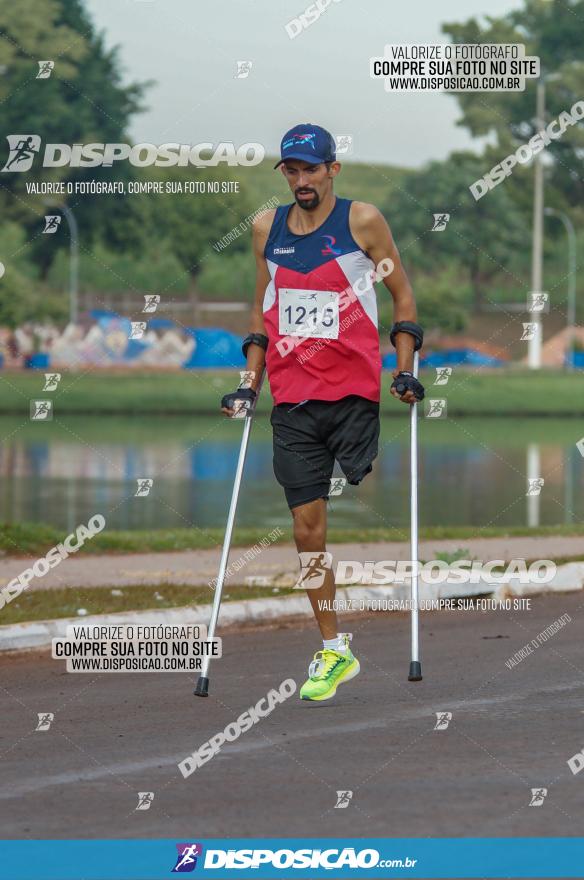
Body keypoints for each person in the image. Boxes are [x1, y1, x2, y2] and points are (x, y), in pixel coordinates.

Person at [221, 123, 424, 701]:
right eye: (292, 170)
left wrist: (404, 368)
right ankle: (334, 649)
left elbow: (403, 298)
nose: (302, 179)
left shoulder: (363, 222)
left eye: (312, 169)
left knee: (365, 482)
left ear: (333, 170)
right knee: (308, 531)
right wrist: (248, 385)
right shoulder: (267, 228)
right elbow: (262, 313)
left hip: (356, 393)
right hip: (293, 398)